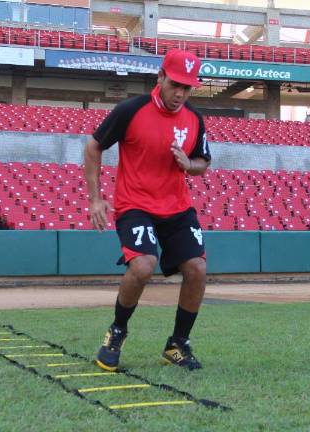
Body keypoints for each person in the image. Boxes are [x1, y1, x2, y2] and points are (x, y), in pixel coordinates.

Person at [84, 49, 212, 372]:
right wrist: (95, 199)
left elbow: (203, 162)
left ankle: (177, 344)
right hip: (135, 203)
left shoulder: (194, 118)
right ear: (161, 78)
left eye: (187, 87)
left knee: (197, 268)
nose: (180, 93)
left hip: (177, 206)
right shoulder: (131, 110)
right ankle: (116, 332)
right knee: (143, 266)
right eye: (175, 84)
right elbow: (93, 145)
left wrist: (189, 164)